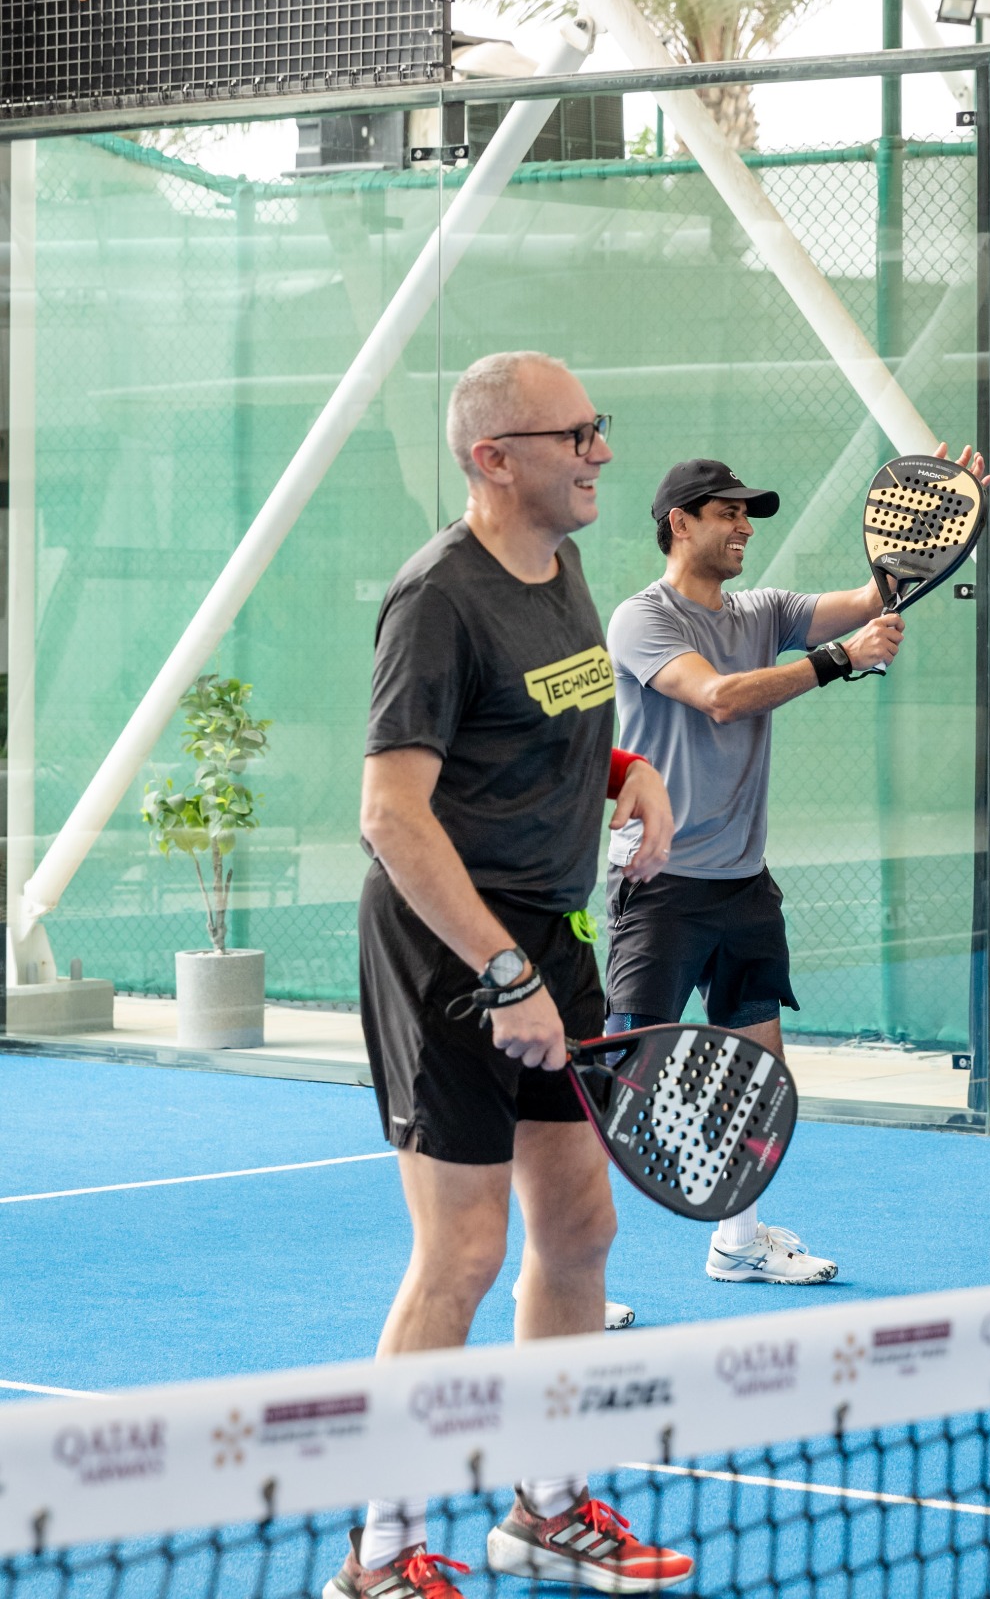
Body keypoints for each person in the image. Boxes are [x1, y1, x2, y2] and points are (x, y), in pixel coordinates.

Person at [325, 351, 692, 1599]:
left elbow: (535, 722)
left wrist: (622, 766)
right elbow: (391, 810)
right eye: (574, 433)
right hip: (446, 948)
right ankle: (378, 1550)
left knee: (581, 1224)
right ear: (495, 458)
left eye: (599, 425)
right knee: (463, 1253)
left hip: (549, 934)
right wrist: (498, 969)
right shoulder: (437, 598)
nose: (600, 451)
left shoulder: (562, 559)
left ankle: (543, 1505)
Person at [605, 446, 987, 1288]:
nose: (745, 527)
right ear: (681, 523)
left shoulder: (762, 610)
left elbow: (869, 596)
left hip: (743, 886)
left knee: (758, 1080)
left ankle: (736, 1241)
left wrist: (936, 518)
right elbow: (717, 697)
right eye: (730, 513)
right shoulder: (644, 619)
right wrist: (839, 661)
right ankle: (560, 1276)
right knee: (624, 1085)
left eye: (750, 515)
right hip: (658, 887)